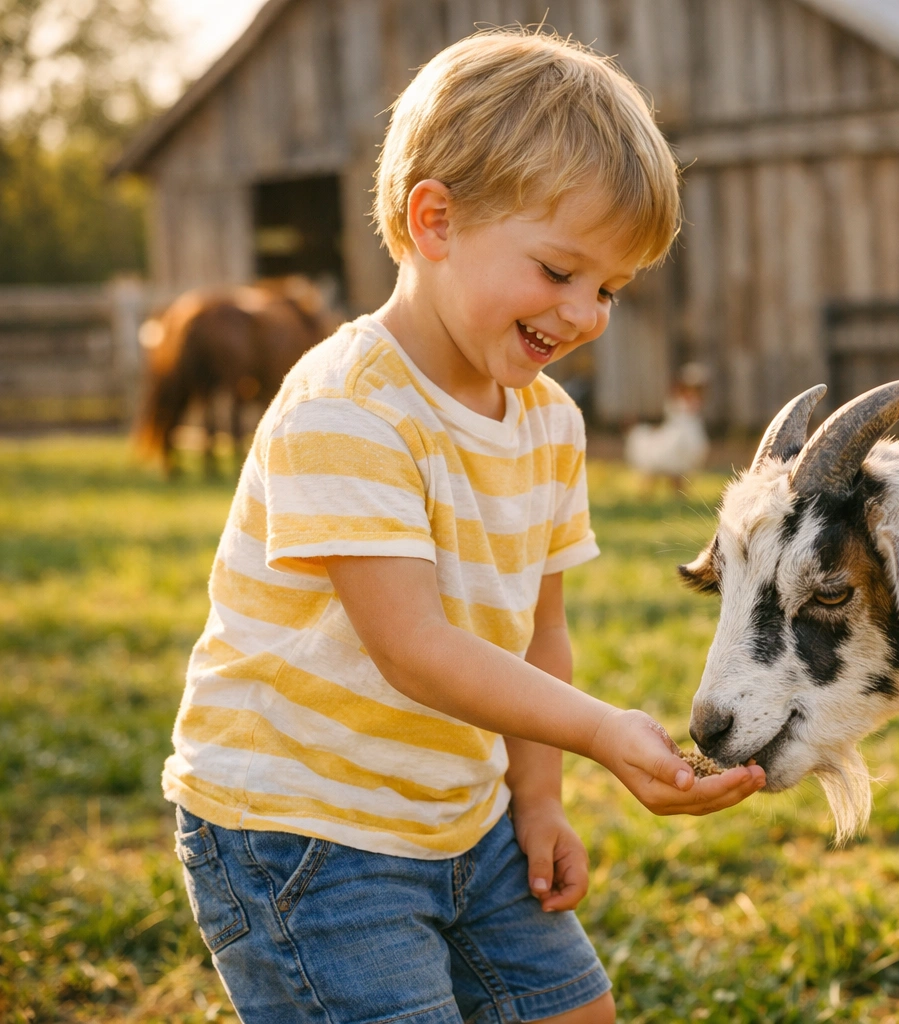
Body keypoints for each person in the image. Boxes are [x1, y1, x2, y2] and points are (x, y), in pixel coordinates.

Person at [161, 30, 765, 1024]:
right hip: (304, 827)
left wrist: (539, 799)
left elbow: (541, 632)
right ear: (434, 220)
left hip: (462, 815)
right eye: (560, 270)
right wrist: (606, 734)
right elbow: (416, 648)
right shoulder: (349, 403)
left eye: (609, 288)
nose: (585, 313)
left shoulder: (549, 422)